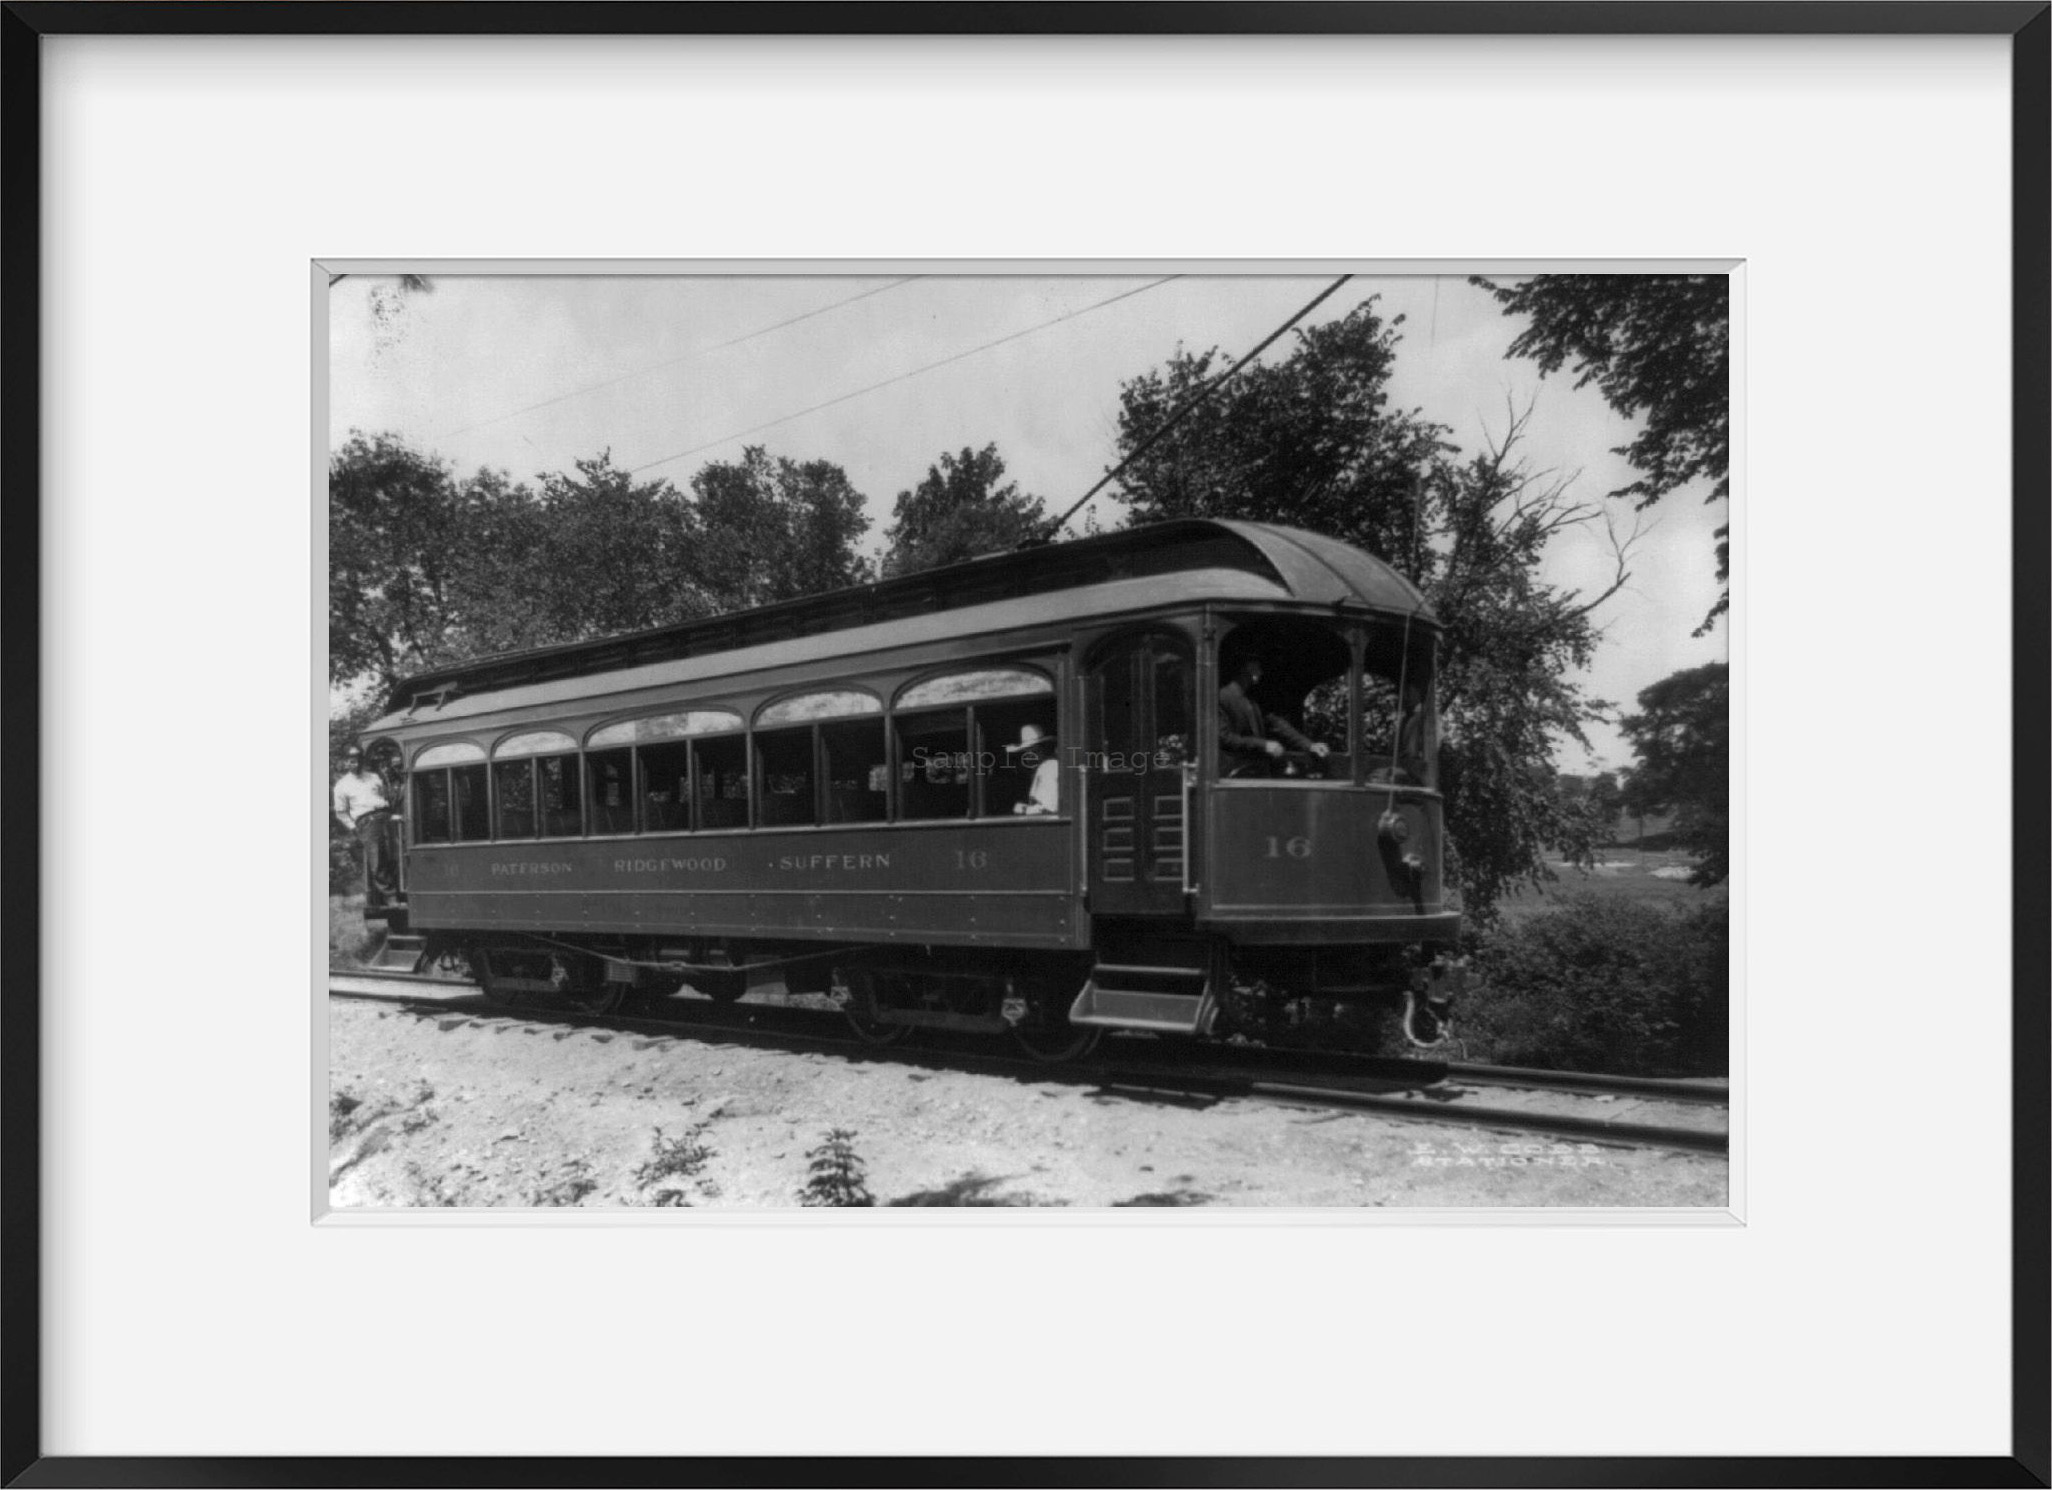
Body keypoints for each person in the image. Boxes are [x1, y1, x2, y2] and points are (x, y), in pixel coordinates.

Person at [1218, 656, 1330, 776]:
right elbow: (1224, 738)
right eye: (1257, 667)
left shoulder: (1252, 699)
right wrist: (1263, 745)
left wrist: (1310, 745)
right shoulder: (1223, 696)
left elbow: (1277, 724)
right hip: (1232, 774)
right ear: (1247, 667)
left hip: (1256, 772)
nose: (1260, 672)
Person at [332, 745, 397, 905]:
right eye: (351, 761)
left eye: (357, 760)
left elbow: (385, 796)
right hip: (366, 822)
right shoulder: (342, 785)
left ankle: (401, 890)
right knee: (377, 859)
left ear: (362, 760)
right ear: (346, 763)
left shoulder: (374, 777)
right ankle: (389, 896)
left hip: (386, 816)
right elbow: (341, 812)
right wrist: (354, 828)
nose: (354, 764)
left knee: (395, 854)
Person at [1008, 722, 1061, 815]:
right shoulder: (1042, 768)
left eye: (1035, 751)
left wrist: (1022, 809)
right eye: (1026, 752)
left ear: (1044, 749)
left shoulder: (1048, 767)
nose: (1030, 756)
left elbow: (1046, 809)